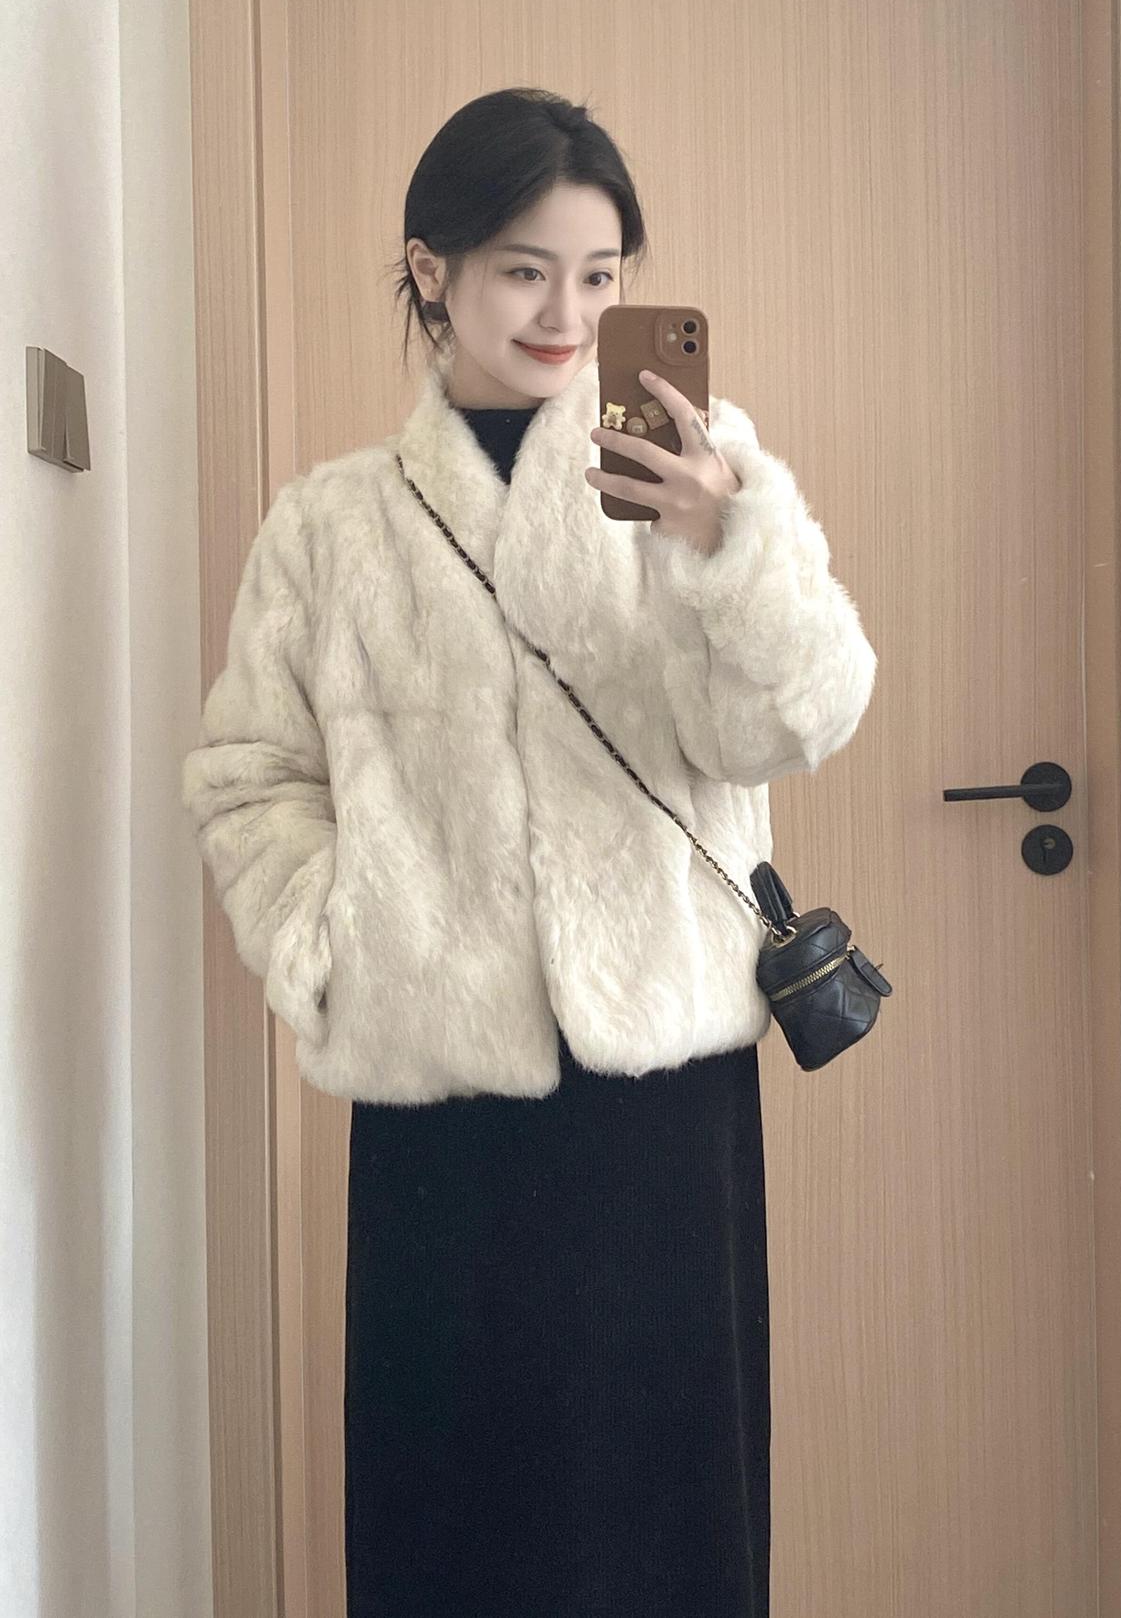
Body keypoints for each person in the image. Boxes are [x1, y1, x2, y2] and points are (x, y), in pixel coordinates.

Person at [182, 86, 877, 1618]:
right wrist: (336, 947)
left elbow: (803, 717)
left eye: (599, 274)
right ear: (430, 270)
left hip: (660, 1092)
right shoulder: (330, 527)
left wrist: (726, 542)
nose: (567, 314)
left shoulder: (703, 473)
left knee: (665, 1510)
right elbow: (251, 776)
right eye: (523, 270)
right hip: (440, 1098)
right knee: (455, 1509)